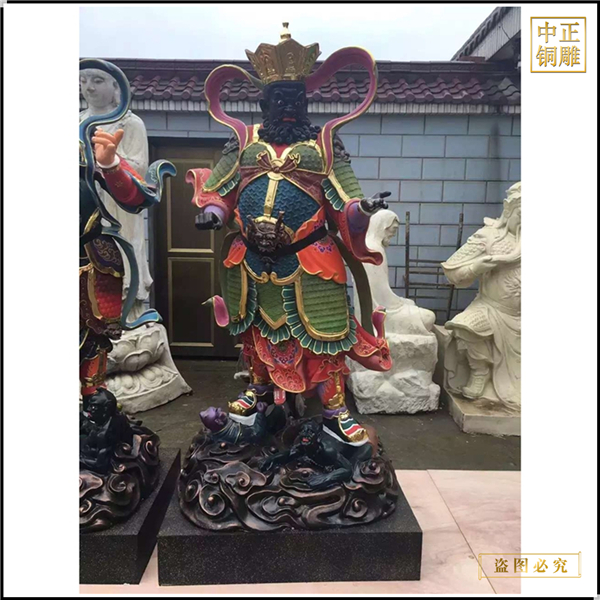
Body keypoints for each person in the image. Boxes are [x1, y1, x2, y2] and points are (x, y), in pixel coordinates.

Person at [188, 24, 392, 446]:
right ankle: (259, 392)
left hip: (310, 261)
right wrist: (212, 212)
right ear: (264, 102)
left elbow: (346, 202)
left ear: (306, 103)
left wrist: (364, 209)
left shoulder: (325, 145)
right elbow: (221, 190)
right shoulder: (244, 142)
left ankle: (335, 410)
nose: (287, 107)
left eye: (295, 100)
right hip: (251, 260)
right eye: (279, 99)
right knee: (256, 331)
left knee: (324, 337)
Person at [442, 182, 521, 408]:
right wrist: (476, 267)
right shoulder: (489, 237)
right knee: (464, 325)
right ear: (509, 211)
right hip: (492, 309)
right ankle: (480, 371)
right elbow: (453, 272)